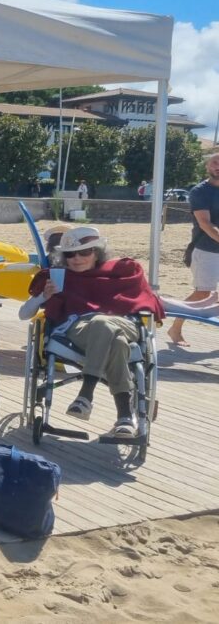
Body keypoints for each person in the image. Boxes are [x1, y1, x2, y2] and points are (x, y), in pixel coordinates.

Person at [18, 227, 164, 438]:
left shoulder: (122, 273)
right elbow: (24, 314)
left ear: (97, 252)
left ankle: (86, 394)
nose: (77, 258)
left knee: (104, 324)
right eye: (70, 254)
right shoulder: (58, 278)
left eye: (84, 252)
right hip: (80, 329)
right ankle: (124, 417)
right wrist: (43, 297)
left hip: (123, 322)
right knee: (118, 343)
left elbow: (146, 302)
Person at [167, 154, 219, 346]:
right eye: (215, 162)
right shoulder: (200, 191)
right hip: (206, 251)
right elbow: (205, 224)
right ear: (207, 166)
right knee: (203, 294)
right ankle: (175, 328)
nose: (218, 166)